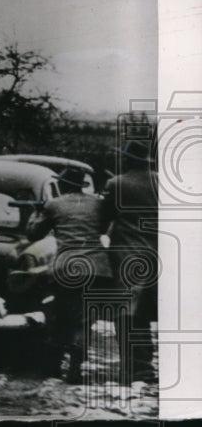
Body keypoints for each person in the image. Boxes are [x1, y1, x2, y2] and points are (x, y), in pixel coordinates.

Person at [27, 167, 112, 383]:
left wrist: (37, 212)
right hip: (96, 268)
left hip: (67, 268)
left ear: (63, 185)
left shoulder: (54, 205)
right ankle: (76, 369)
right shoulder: (98, 204)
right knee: (84, 321)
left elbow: (33, 234)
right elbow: (101, 229)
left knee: (59, 318)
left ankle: (52, 368)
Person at [101, 138, 159, 385]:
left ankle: (136, 370)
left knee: (126, 315)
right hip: (159, 255)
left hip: (128, 256)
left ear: (128, 159)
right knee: (145, 312)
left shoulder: (116, 184)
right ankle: (144, 367)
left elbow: (103, 219)